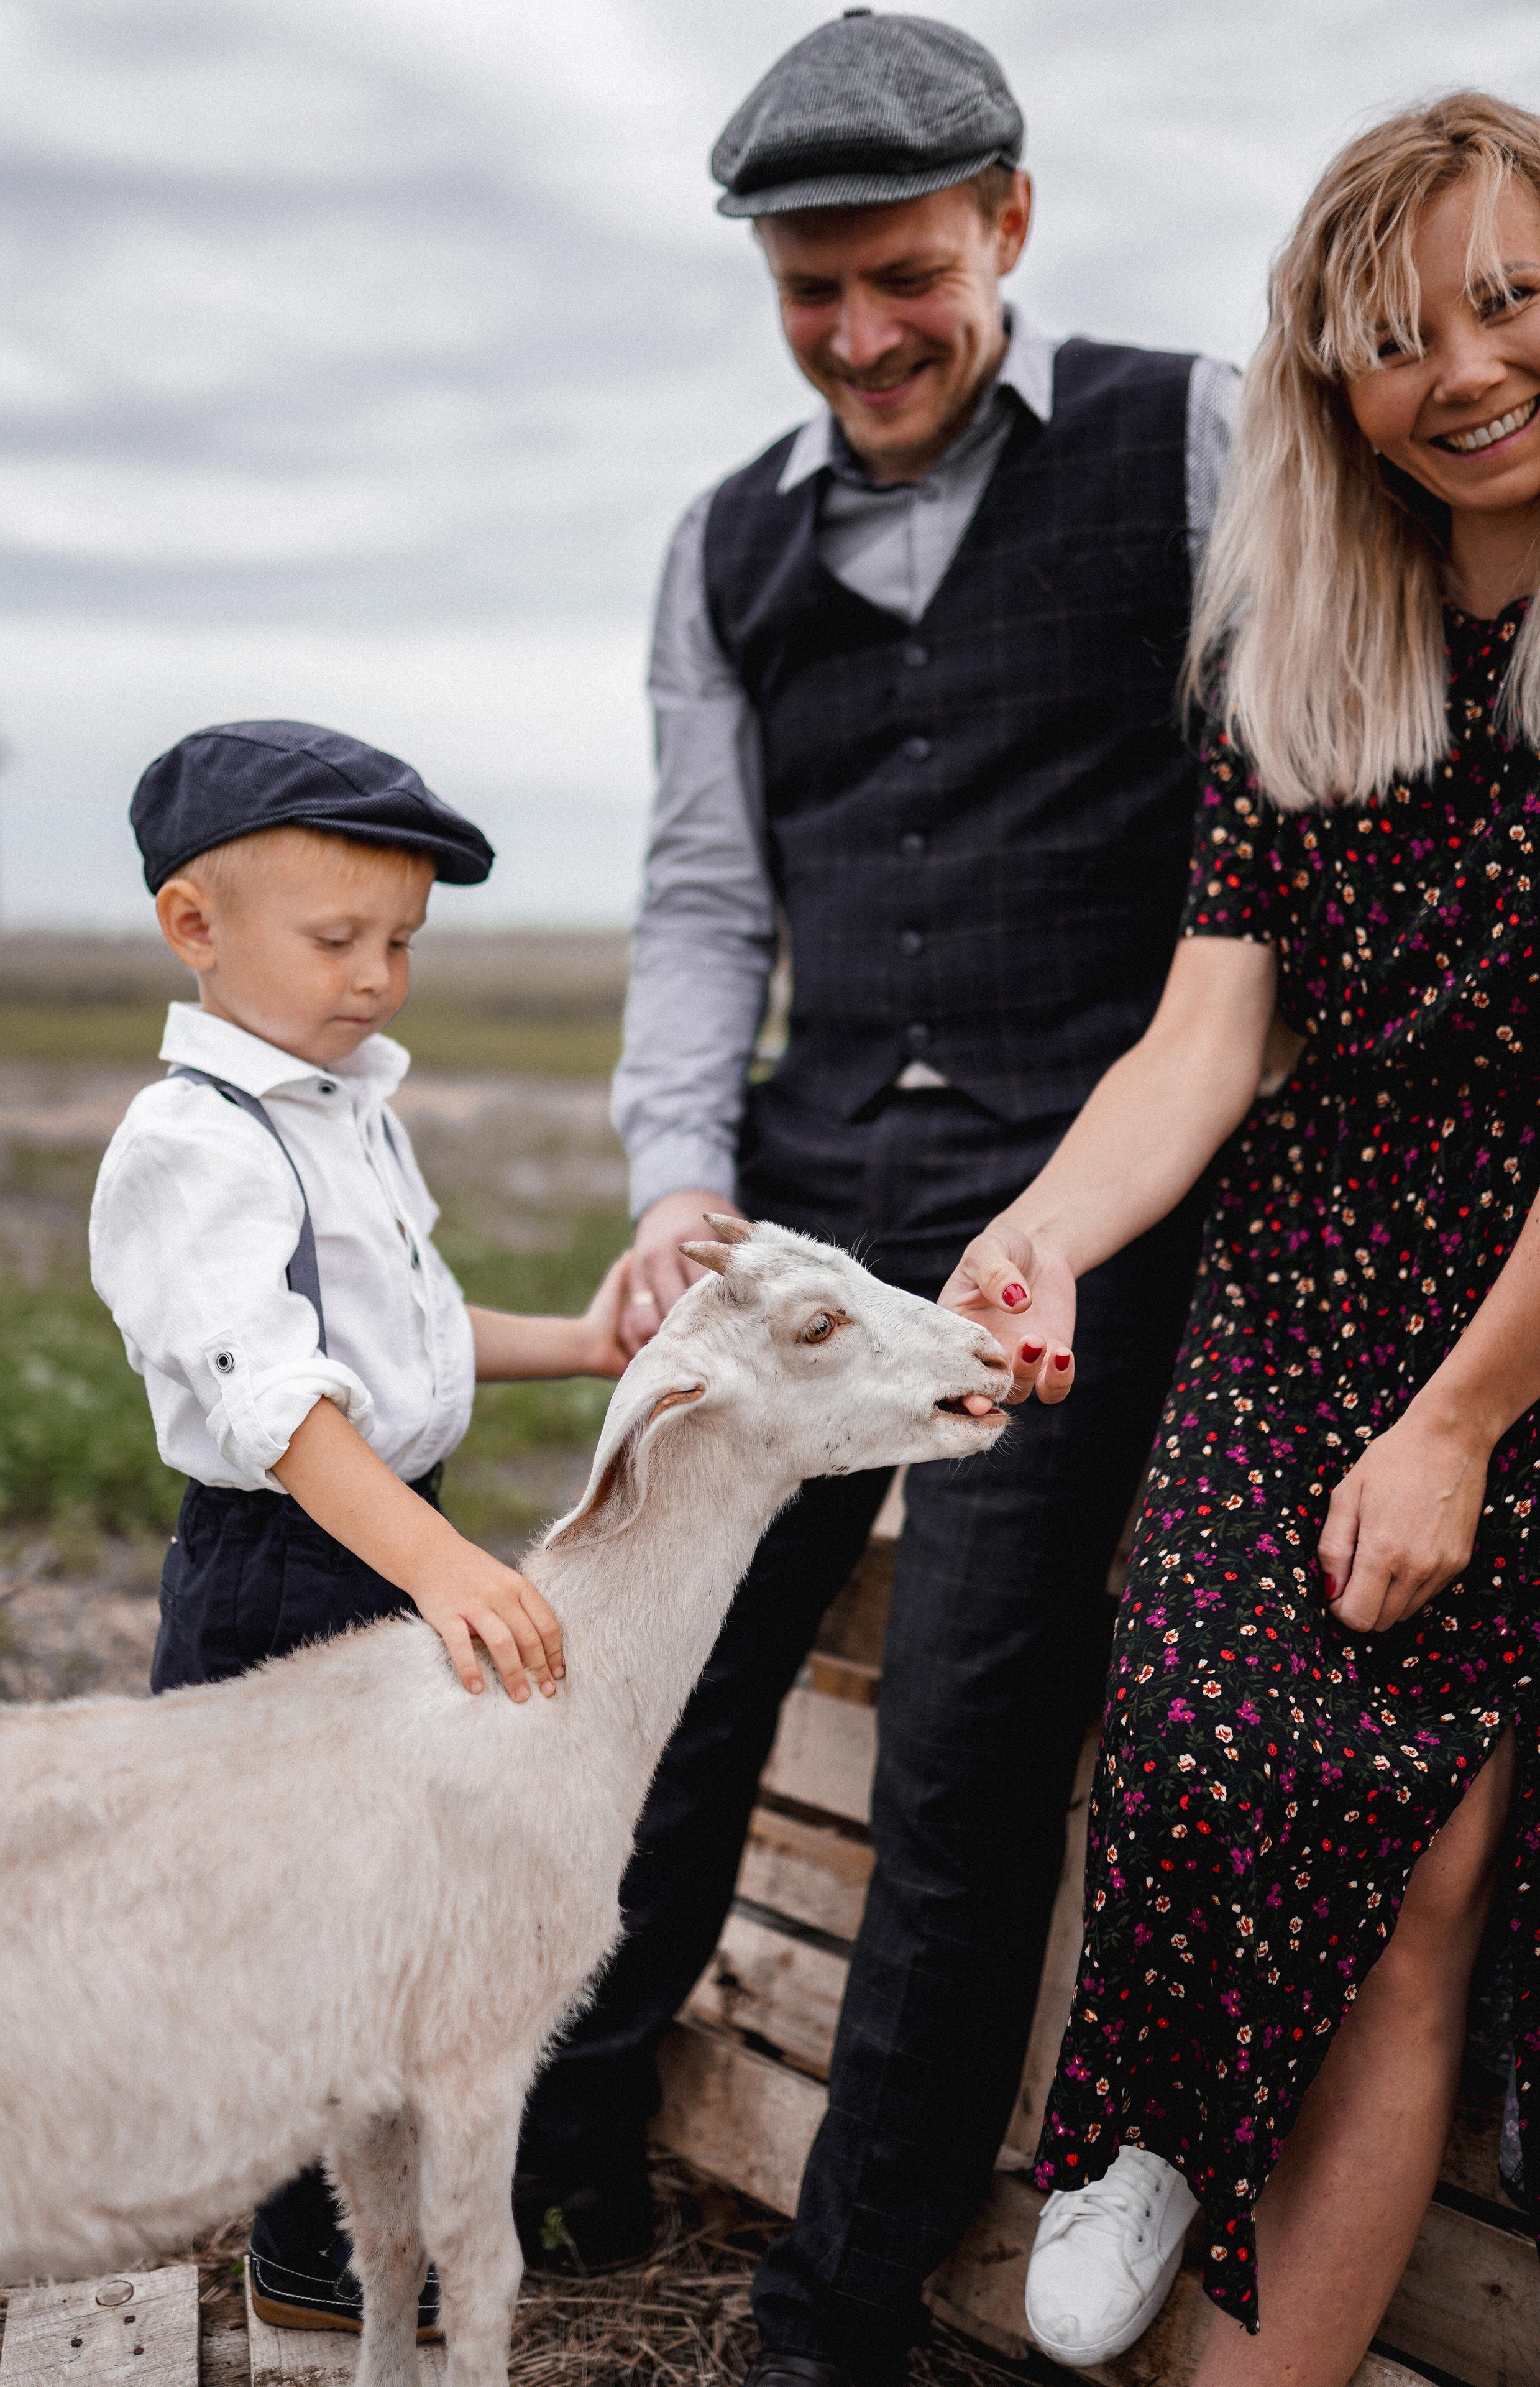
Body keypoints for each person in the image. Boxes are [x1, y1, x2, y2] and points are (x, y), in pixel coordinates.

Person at [516, 15, 1237, 2382]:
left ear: (1010, 224)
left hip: (1082, 1193)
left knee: (960, 1753)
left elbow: (1278, 837)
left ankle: (833, 2316)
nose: (859, 333)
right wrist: (679, 1180)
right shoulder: (719, 541)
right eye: (808, 288)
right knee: (666, 1677)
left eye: (902, 274)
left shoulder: (1194, 438)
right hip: (809, 1190)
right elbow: (709, 901)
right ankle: (565, 2150)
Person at [940, 92, 1540, 2381]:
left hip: (1518, 1311)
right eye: (1399, 337)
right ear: (1330, 385)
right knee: (1186, 1725)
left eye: (1509, 297)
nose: (1465, 369)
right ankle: (1151, 2121)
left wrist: (1466, 1420)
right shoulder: (1291, 650)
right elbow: (1202, 1049)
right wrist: (1046, 1234)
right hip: (1305, 1271)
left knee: (1411, 1884)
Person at [90, 719, 628, 2333]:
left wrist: (591, 1342)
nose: (380, 976)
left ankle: (359, 2221)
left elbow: (405, 1335)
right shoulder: (197, 1145)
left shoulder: (343, 1106)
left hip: (384, 1540)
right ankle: (313, 2273)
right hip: (288, 1563)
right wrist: (448, 1566)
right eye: (338, 940)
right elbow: (283, 1408)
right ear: (198, 929)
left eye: (401, 941)